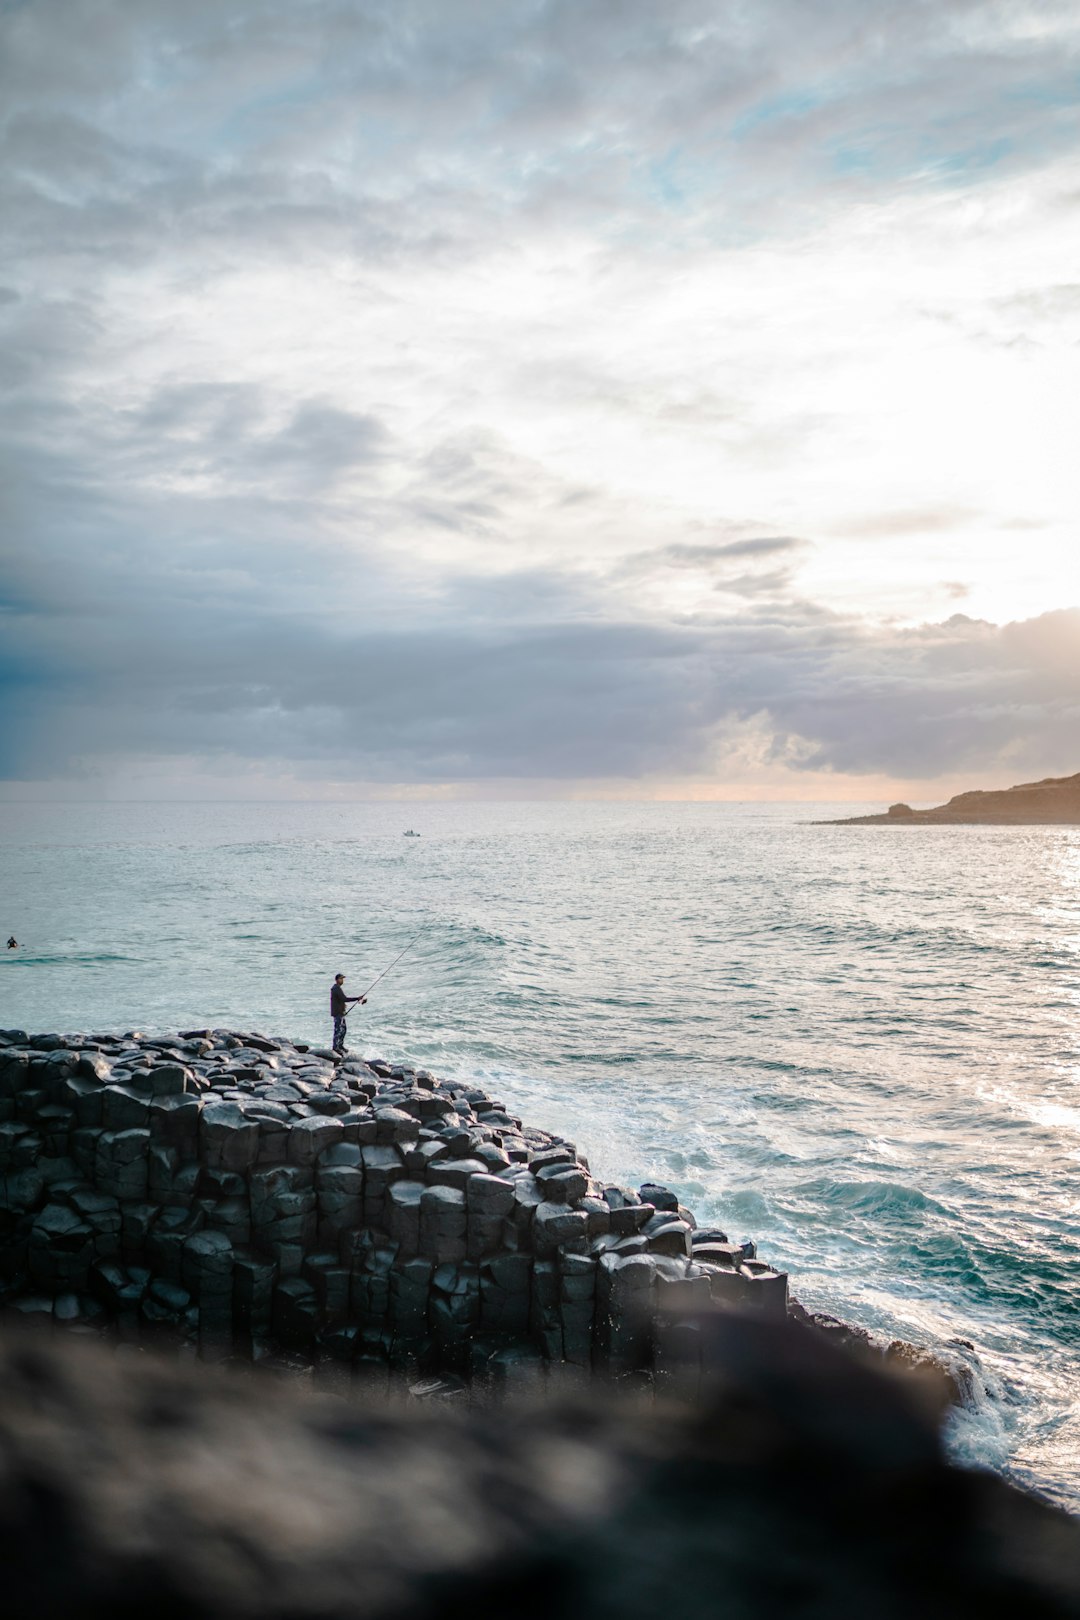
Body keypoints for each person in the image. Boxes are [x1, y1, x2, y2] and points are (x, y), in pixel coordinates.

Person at [330, 973, 365, 1054]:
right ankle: (335, 1047)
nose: (342, 980)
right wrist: (357, 998)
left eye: (343, 979)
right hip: (338, 1013)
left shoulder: (337, 988)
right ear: (337, 980)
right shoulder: (336, 988)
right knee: (338, 1030)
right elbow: (344, 999)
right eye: (341, 979)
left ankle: (340, 1045)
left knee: (343, 1030)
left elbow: (341, 1000)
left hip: (340, 1013)